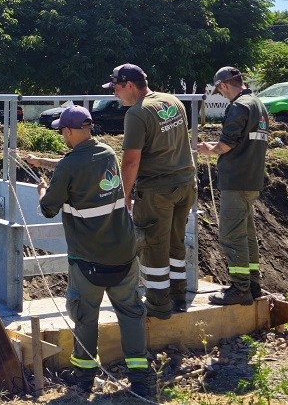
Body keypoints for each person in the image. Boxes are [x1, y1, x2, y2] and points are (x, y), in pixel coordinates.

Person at [23, 106, 155, 399]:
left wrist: (42, 189)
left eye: (62, 131)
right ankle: (141, 378)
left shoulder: (69, 166)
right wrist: (43, 161)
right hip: (124, 254)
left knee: (85, 316)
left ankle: (84, 379)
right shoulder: (107, 153)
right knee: (131, 314)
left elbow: (48, 208)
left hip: (89, 261)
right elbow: (77, 165)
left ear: (68, 131)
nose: (63, 135)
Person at [105, 63, 196, 320]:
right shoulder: (172, 101)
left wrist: (123, 196)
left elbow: (131, 160)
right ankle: (179, 295)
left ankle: (157, 304)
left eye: (116, 88)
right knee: (176, 242)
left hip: (158, 190)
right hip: (186, 183)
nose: (114, 94)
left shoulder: (137, 113)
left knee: (153, 245)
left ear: (130, 85)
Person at [197, 67, 269, 305]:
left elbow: (227, 144)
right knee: (247, 234)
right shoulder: (258, 104)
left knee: (231, 236)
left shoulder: (238, 106)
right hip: (251, 179)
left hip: (236, 180)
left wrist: (209, 149)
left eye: (219, 90)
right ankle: (253, 284)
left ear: (225, 85)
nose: (221, 94)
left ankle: (240, 289)